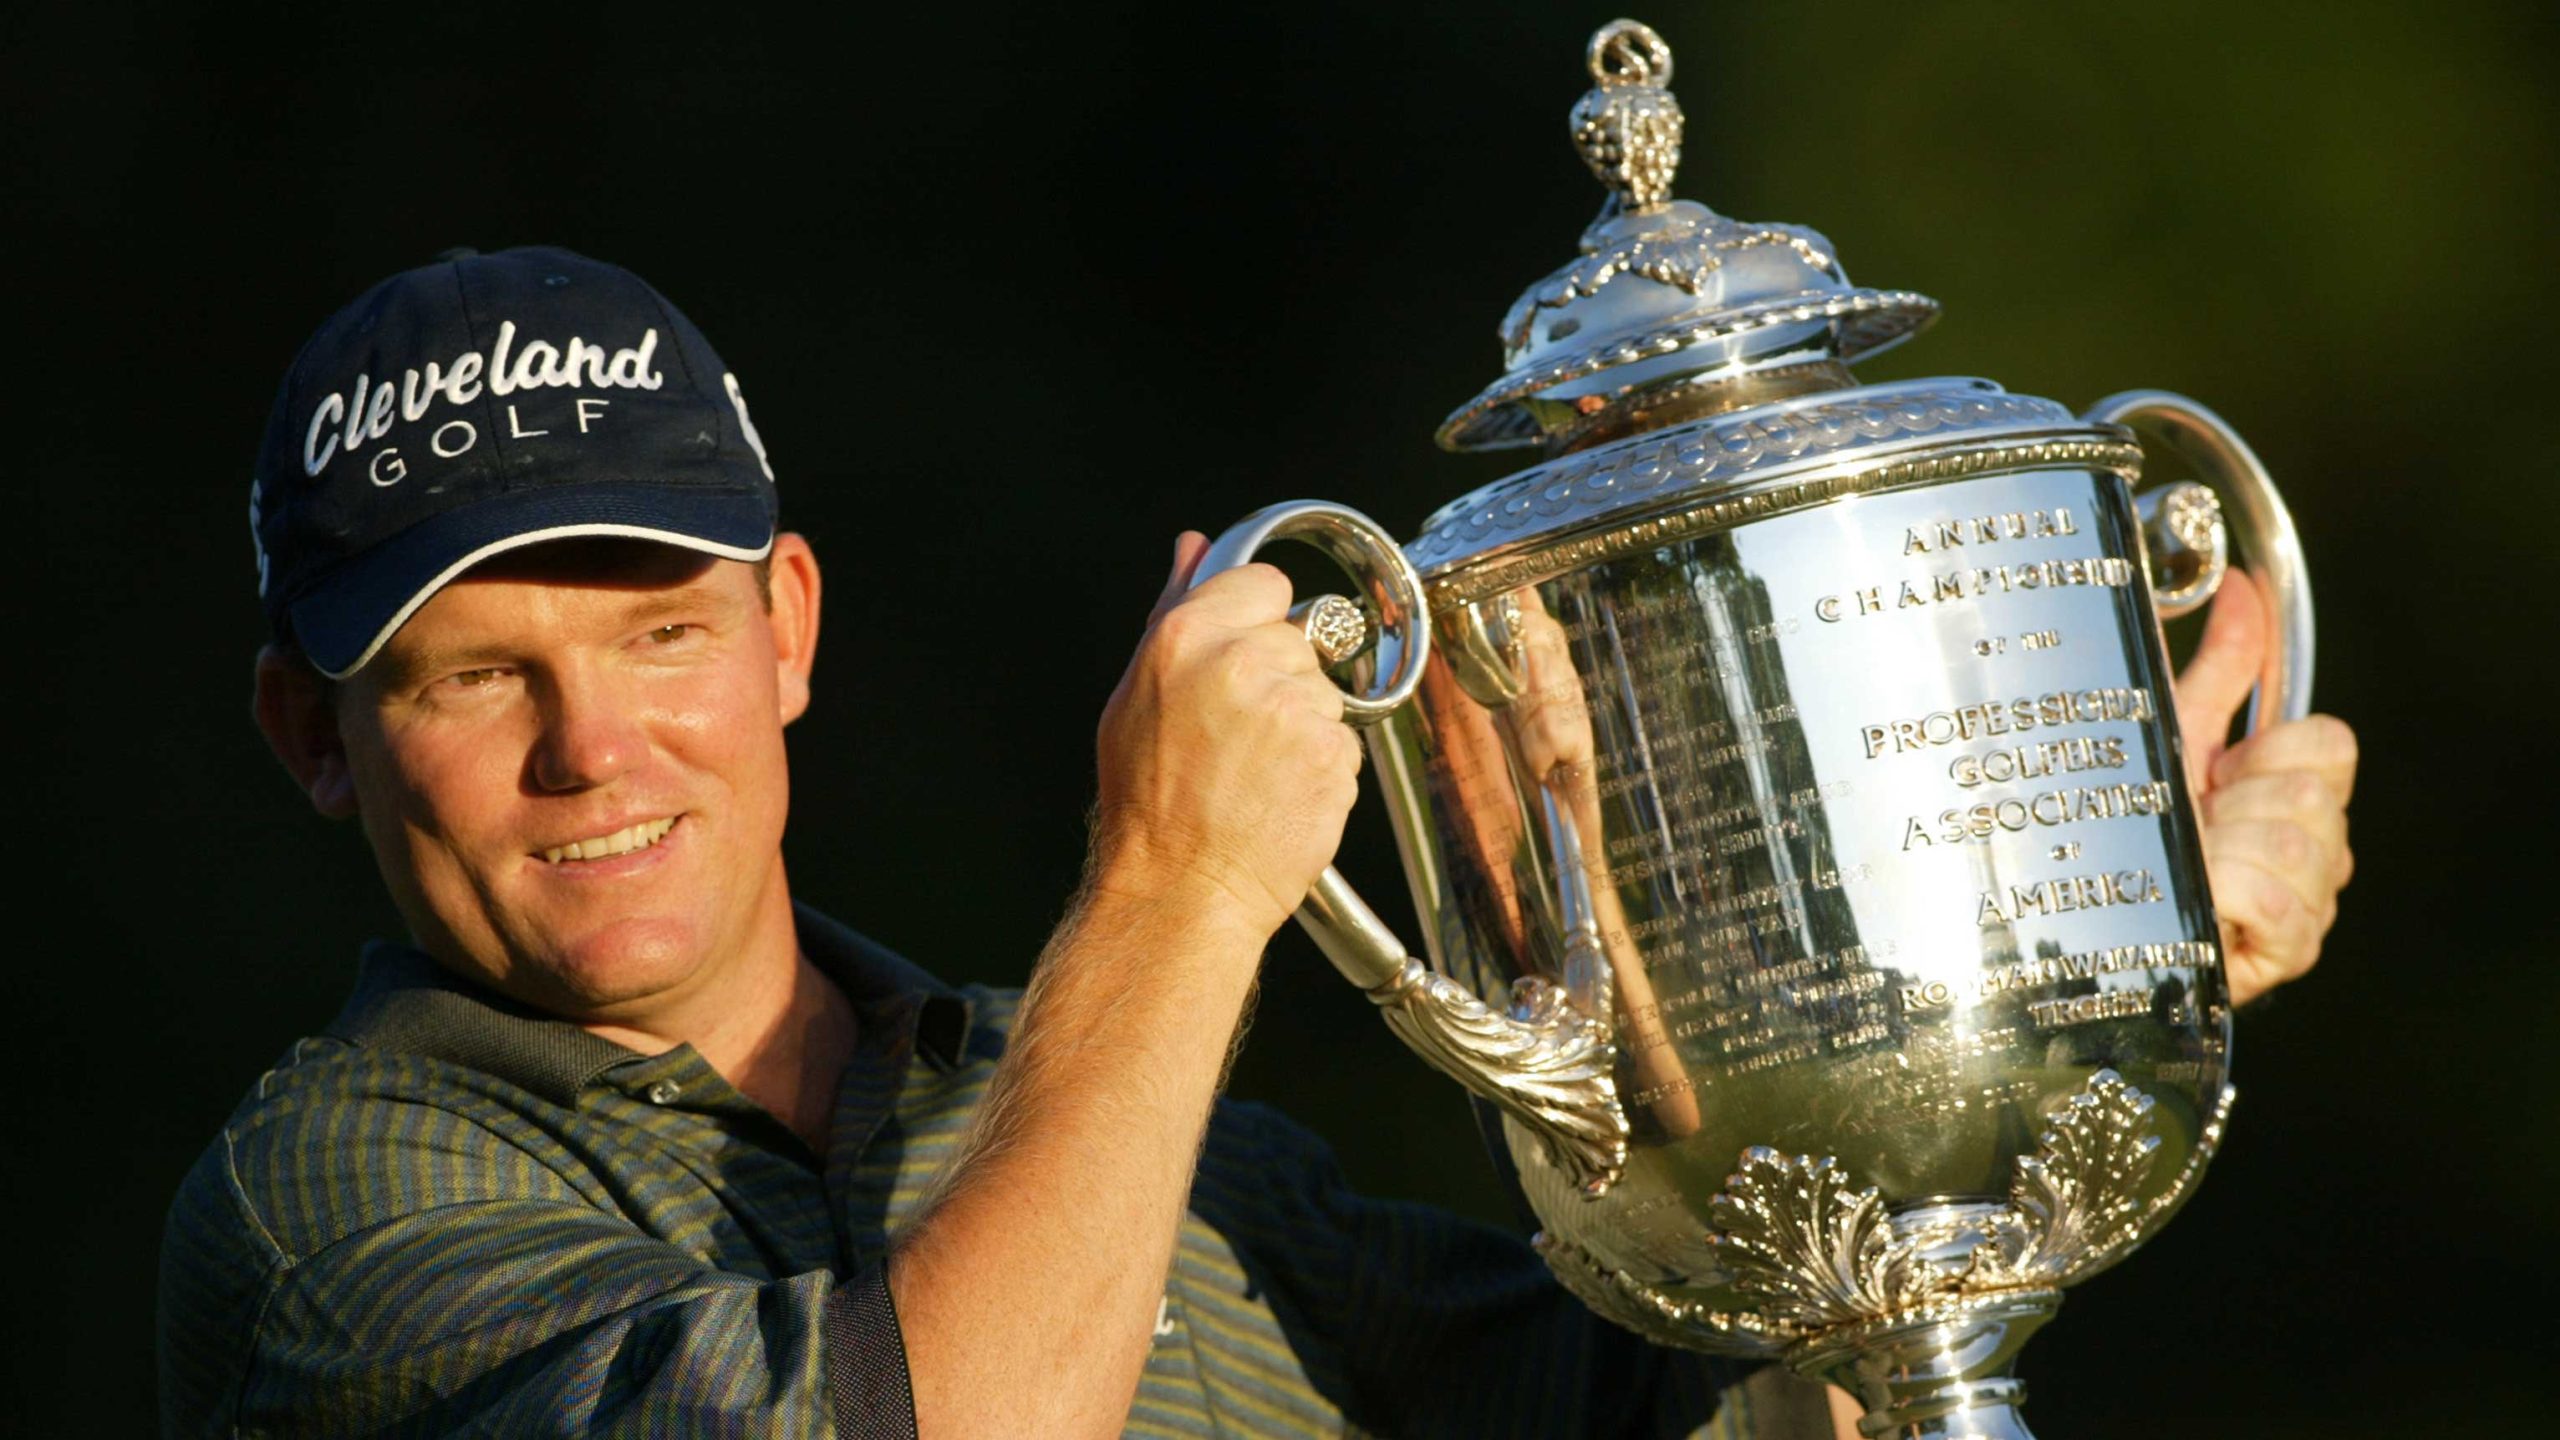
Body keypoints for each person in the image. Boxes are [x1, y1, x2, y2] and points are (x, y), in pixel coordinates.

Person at [159, 247, 2359, 1439]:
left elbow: (1742, 1394)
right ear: (314, 738)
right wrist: (1179, 884)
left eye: (660, 633)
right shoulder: (324, 1204)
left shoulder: (1137, 1138)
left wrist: (2059, 956)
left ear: (789, 631)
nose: (591, 748)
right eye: (469, 676)